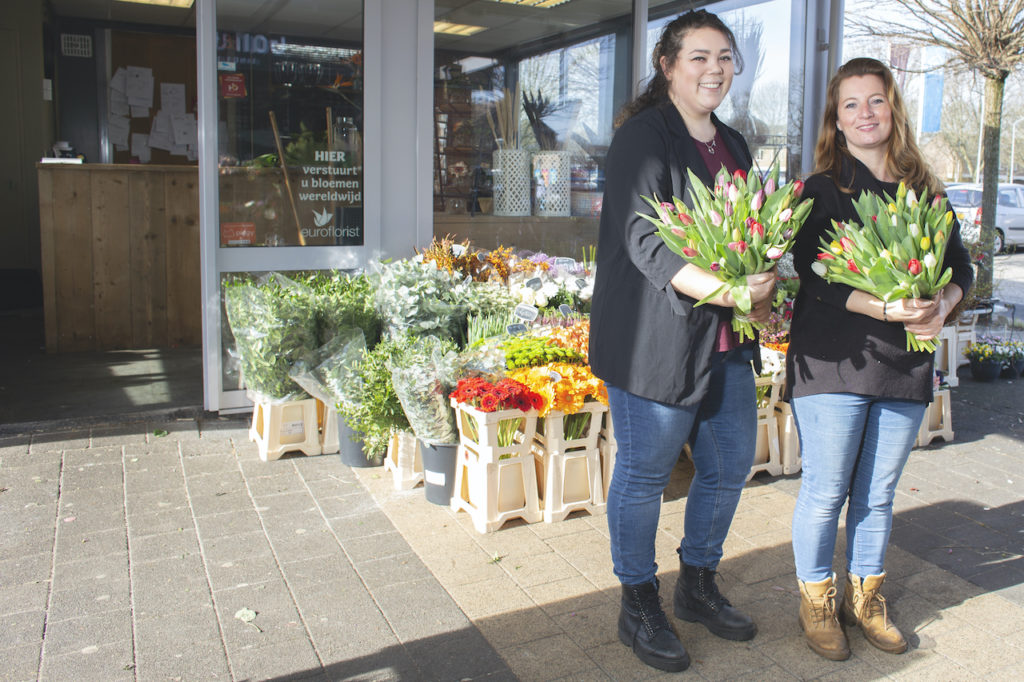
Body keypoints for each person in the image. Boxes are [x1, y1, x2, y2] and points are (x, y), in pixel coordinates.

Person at [589, 10, 776, 673]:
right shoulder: (644, 137)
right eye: (699, 57)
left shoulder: (735, 142)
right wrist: (732, 291)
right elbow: (645, 243)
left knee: (727, 467)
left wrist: (767, 277)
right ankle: (638, 600)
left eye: (725, 57)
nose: (714, 69)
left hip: (725, 344)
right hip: (655, 342)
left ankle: (697, 584)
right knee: (644, 474)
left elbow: (749, 235)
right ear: (668, 65)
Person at [786, 57, 973, 661]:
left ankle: (865, 596)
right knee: (826, 490)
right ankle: (817, 598)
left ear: (893, 109)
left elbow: (962, 268)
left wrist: (943, 303)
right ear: (835, 121)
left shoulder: (925, 190)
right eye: (851, 105)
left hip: (903, 364)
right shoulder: (820, 189)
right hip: (835, 360)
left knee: (878, 493)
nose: (865, 113)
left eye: (876, 101)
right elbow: (814, 277)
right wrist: (889, 310)